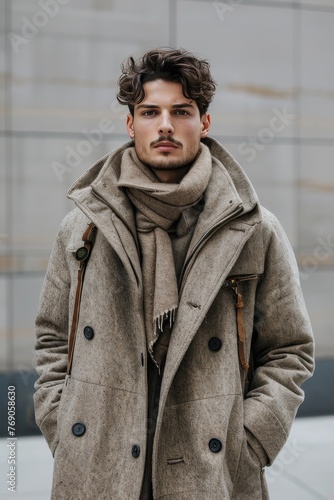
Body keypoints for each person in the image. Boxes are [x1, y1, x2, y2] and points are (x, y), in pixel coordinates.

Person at [34, 48, 314, 500]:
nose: (165, 124)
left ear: (204, 123)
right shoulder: (84, 227)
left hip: (210, 471)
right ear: (131, 124)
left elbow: (289, 350)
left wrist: (251, 442)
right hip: (98, 467)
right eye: (150, 111)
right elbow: (52, 339)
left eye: (180, 111)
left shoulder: (253, 229)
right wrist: (65, 429)